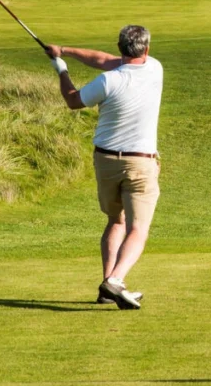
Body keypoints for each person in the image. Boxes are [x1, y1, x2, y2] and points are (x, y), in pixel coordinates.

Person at [45, 25, 164, 310]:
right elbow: (103, 59)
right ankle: (115, 281)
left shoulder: (107, 80)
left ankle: (106, 287)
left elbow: (74, 100)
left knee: (116, 221)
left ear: (121, 48)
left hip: (105, 161)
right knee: (139, 228)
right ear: (146, 49)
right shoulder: (155, 68)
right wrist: (64, 54)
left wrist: (61, 64)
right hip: (140, 163)